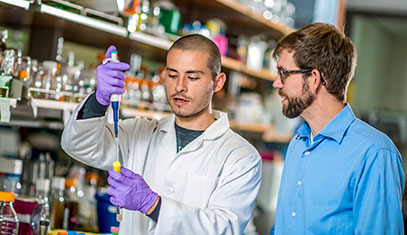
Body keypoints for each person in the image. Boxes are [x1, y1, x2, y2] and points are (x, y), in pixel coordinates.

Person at [61, 34, 262, 234]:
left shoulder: (241, 157)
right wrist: (99, 99)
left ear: (218, 82)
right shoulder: (139, 132)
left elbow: (224, 228)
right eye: (173, 75)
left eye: (192, 77)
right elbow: (77, 145)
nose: (180, 86)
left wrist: (152, 205)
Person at [270, 22, 404, 234]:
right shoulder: (298, 143)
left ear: (314, 78)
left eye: (284, 73)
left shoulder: (374, 154)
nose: (277, 83)